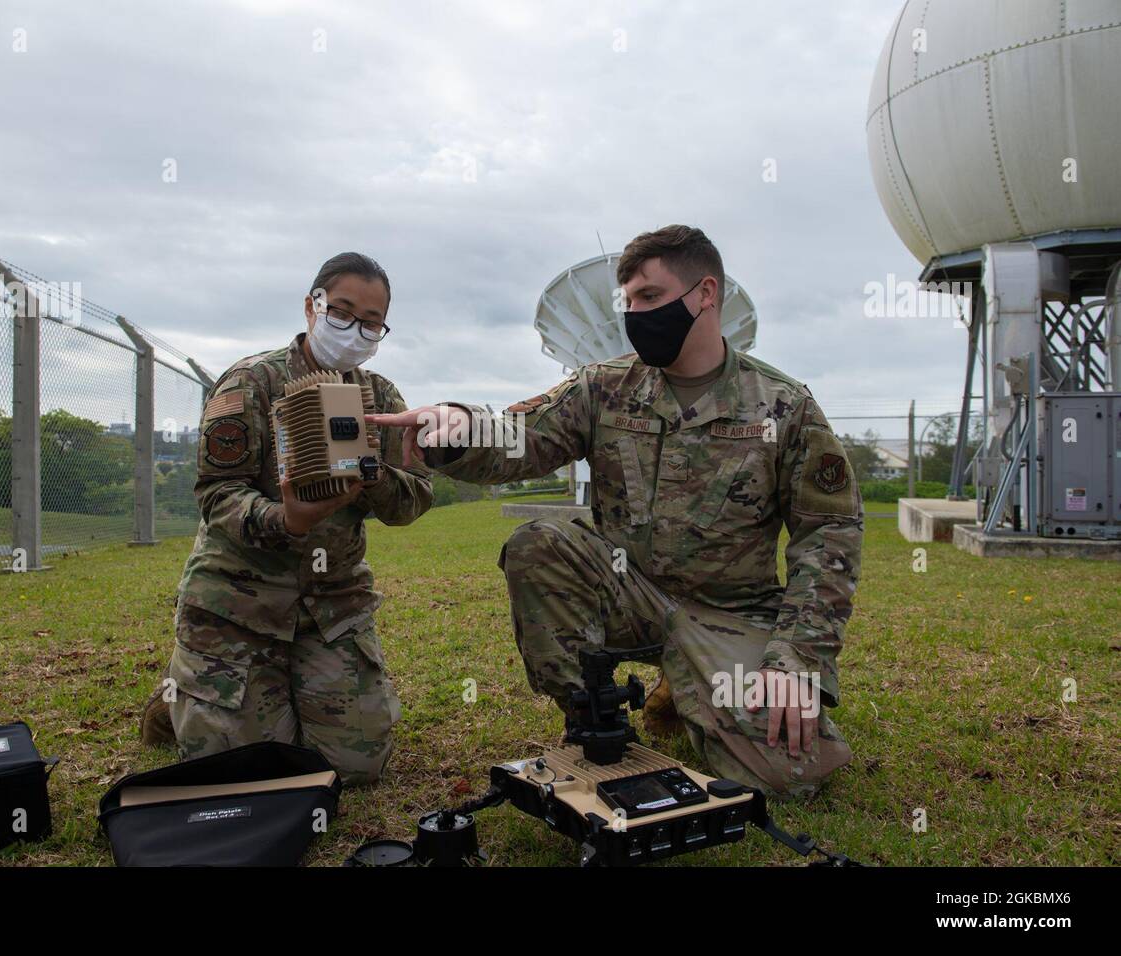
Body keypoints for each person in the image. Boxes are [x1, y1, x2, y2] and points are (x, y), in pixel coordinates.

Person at [369, 225, 862, 799]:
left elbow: (828, 533)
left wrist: (796, 659)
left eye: (649, 297)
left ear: (705, 294)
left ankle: (687, 683)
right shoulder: (603, 388)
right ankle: (591, 716)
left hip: (732, 612)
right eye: (626, 301)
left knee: (790, 774)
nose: (634, 313)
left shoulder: (783, 405)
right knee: (539, 544)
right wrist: (457, 425)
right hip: (626, 591)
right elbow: (523, 436)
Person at [142, 252, 432, 786]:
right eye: (341, 312)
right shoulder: (250, 383)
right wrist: (286, 520)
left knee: (358, 766)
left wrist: (375, 477)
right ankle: (180, 692)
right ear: (311, 306)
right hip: (239, 601)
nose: (354, 330)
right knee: (244, 770)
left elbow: (414, 499)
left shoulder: (382, 397)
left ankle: (258, 693)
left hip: (331, 601)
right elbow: (216, 492)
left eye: (371, 323)